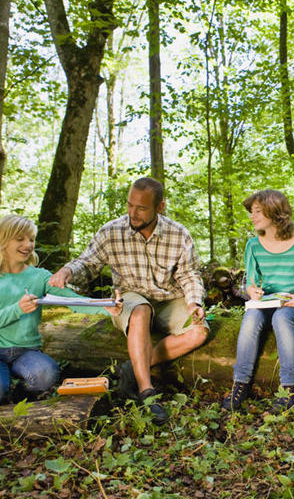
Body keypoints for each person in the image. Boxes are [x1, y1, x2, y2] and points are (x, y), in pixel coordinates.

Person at [49, 177, 208, 424]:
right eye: (130, 205)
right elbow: (87, 263)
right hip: (132, 300)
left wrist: (194, 303)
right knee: (141, 310)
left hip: (169, 299)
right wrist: (67, 272)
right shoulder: (111, 231)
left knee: (199, 332)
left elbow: (189, 275)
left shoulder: (178, 234)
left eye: (141, 208)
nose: (133, 213)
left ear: (160, 207)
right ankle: (147, 391)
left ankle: (132, 368)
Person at [0, 215, 122, 407]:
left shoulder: (39, 277)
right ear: (3, 240)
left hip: (26, 352)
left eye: (31, 239)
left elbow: (71, 300)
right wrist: (17, 310)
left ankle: (20, 396)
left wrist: (105, 307)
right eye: (20, 239)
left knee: (46, 374)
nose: (28, 245)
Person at [221, 190, 294, 412]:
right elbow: (251, 281)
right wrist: (252, 291)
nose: (252, 216)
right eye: (251, 212)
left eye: (257, 211)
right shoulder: (253, 245)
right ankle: (240, 385)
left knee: (283, 317)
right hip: (267, 303)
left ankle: (289, 389)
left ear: (274, 213)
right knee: (252, 315)